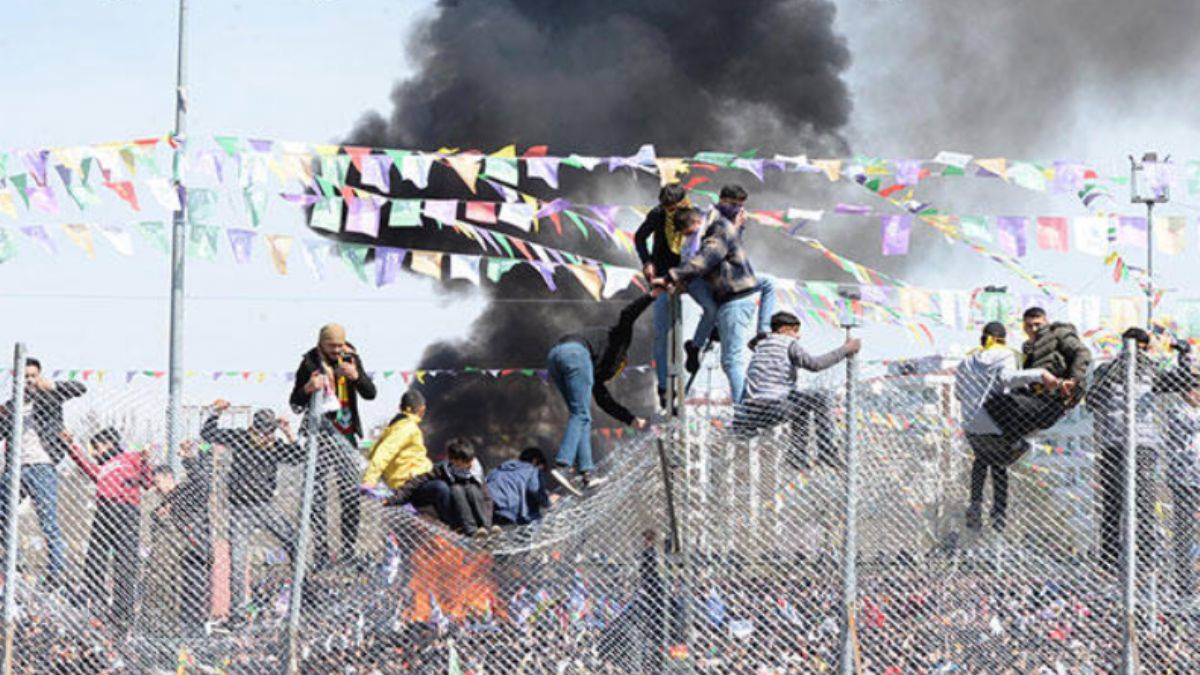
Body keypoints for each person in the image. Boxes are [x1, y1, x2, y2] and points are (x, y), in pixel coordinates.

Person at [1088, 327, 1188, 576]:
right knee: (1126, 501)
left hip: (1129, 443)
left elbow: (1184, 381)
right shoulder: (1119, 370)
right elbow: (1091, 401)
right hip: (1126, 443)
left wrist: (1183, 358)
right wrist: (1183, 357)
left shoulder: (1139, 371)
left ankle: (1129, 557)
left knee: (1130, 502)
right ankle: (1124, 558)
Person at [200, 399, 304, 623]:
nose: (265, 438)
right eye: (262, 433)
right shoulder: (241, 438)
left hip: (266, 506)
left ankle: (300, 596)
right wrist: (216, 413)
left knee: (296, 540)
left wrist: (288, 432)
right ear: (253, 429)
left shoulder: (275, 446)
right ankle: (238, 613)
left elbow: (298, 456)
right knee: (237, 560)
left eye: (269, 433)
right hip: (240, 509)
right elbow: (208, 434)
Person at [662, 187, 768, 404]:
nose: (737, 208)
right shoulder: (712, 226)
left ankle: (762, 331)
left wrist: (738, 228)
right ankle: (697, 345)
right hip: (710, 283)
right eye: (733, 204)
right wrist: (675, 276)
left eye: (740, 205)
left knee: (769, 284)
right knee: (715, 319)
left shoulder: (717, 225)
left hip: (733, 287)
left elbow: (720, 251)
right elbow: (705, 259)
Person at [954, 322, 1058, 532]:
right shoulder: (1005, 354)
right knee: (1000, 465)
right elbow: (1007, 378)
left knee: (981, 459)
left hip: (972, 426)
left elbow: (958, 393)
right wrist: (1040, 374)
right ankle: (999, 514)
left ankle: (976, 503)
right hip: (996, 424)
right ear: (1003, 338)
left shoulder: (966, 362)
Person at [289, 323, 377, 568]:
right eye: (332, 346)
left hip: (346, 436)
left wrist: (356, 376)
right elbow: (295, 402)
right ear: (321, 344)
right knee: (317, 495)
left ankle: (348, 550)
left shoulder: (351, 358)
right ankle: (321, 550)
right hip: (319, 437)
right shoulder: (309, 363)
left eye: (340, 345)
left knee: (350, 495)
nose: (337, 350)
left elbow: (371, 393)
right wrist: (308, 388)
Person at [547, 293, 653, 494]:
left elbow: (604, 401)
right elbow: (627, 314)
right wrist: (651, 295)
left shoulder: (596, 368)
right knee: (581, 415)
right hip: (576, 353)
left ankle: (586, 473)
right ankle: (564, 466)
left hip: (555, 356)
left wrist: (631, 420)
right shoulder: (618, 343)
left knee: (581, 416)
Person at [0, 357, 86, 589]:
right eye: (24, 377)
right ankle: (14, 563)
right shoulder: (12, 406)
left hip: (41, 466)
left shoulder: (49, 397)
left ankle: (55, 572)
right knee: (3, 516)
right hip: (14, 468)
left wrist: (51, 385)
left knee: (48, 521)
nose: (29, 380)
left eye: (32, 376)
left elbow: (80, 389)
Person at [734, 312, 860, 468]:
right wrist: (846, 349)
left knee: (801, 403)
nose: (798, 336)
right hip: (774, 407)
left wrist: (766, 335)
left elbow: (751, 344)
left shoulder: (762, 344)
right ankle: (826, 452)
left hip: (753, 410)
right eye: (795, 331)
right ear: (784, 329)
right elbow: (815, 364)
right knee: (820, 397)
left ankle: (798, 456)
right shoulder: (788, 344)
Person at [635, 186, 720, 407]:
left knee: (712, 309)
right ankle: (664, 386)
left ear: (684, 201)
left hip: (692, 275)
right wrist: (647, 262)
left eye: (675, 208)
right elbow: (639, 237)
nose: (671, 212)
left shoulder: (699, 215)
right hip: (665, 277)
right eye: (668, 208)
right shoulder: (657, 214)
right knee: (662, 333)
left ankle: (695, 346)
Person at [63, 428, 152, 634]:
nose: (95, 452)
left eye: (97, 447)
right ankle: (96, 601)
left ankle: (123, 614)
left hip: (127, 511)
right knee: (95, 557)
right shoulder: (103, 467)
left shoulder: (130, 458)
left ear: (109, 443)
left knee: (126, 562)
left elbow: (147, 483)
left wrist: (145, 461)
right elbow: (87, 467)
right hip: (104, 510)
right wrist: (71, 446)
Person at [984, 307, 1092, 438]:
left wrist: (1074, 380)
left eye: (1038, 324)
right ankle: (1013, 441)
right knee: (997, 404)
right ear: (1024, 327)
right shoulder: (1027, 346)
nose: (1034, 329)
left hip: (1056, 395)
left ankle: (1014, 440)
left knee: (1000, 405)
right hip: (1035, 396)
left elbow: (1082, 352)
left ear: (1046, 322)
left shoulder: (1058, 333)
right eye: (1029, 326)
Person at [152, 440, 215, 636]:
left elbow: (203, 485)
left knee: (194, 593)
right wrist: (160, 516)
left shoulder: (185, 492)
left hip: (195, 550)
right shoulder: (162, 507)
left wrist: (188, 459)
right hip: (175, 558)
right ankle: (177, 630)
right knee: (176, 596)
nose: (156, 488)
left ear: (168, 478)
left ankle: (196, 631)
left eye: (158, 483)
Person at [365, 391, 453, 525]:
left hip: (413, 480)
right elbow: (384, 452)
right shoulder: (407, 427)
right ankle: (456, 527)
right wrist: (370, 480)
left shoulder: (393, 427)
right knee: (442, 488)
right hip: (411, 484)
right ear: (422, 409)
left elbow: (374, 452)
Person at [1166, 372, 1200, 598]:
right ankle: (1185, 583)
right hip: (1185, 479)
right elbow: (1189, 425)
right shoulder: (1178, 411)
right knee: (1184, 530)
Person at [429, 439, 497, 537]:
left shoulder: (475, 472)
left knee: (472, 489)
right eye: (466, 462)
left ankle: (485, 528)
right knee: (456, 489)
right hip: (459, 517)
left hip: (481, 516)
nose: (470, 464)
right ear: (453, 461)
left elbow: (487, 498)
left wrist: (488, 522)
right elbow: (419, 480)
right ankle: (472, 531)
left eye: (470, 460)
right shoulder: (442, 469)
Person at [487, 447, 552, 526]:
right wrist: (548, 503)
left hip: (487, 505)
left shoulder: (499, 468)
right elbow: (533, 489)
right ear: (535, 461)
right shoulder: (532, 469)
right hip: (506, 509)